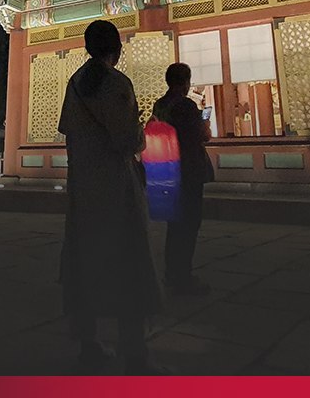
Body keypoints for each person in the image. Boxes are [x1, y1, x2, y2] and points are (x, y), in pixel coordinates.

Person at [58, 20, 164, 375]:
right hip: (115, 186)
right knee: (128, 262)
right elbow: (127, 140)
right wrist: (142, 133)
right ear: (115, 48)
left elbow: (69, 132)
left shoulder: (75, 84)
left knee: (84, 260)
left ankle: (88, 342)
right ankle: (134, 352)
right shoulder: (116, 84)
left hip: (82, 186)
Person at [151, 63, 215, 296]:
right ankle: (183, 276)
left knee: (174, 224)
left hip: (166, 169)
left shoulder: (160, 104)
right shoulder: (186, 106)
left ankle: (172, 272)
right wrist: (205, 124)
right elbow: (202, 136)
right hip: (188, 170)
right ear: (186, 82)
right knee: (189, 224)